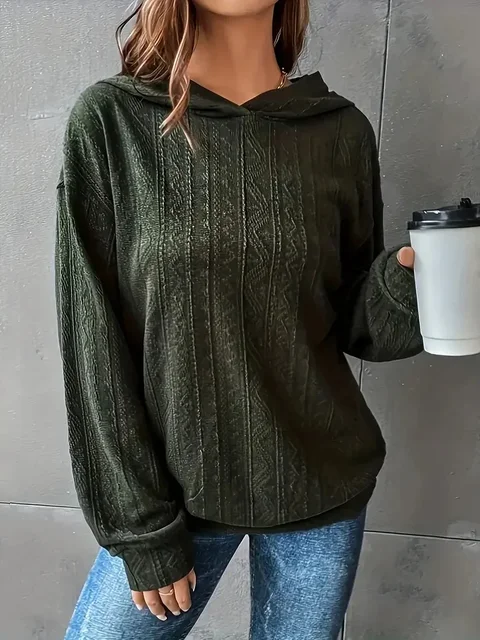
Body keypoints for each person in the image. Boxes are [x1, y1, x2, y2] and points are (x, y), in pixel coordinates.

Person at [56, 0, 421, 638]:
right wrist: (140, 527)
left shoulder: (339, 130)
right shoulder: (112, 121)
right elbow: (93, 344)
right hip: (177, 491)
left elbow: (356, 325)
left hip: (321, 484)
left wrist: (411, 279)